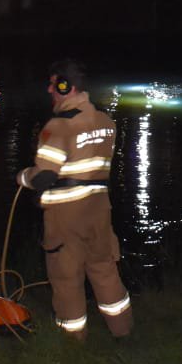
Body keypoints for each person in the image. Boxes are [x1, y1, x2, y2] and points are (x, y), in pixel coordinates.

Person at [16, 60, 132, 341]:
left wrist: (22, 178)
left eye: (54, 84)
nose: (49, 90)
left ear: (68, 87)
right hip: (99, 211)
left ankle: (72, 344)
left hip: (66, 217)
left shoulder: (57, 127)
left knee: (66, 279)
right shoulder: (106, 122)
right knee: (105, 270)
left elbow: (44, 176)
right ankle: (124, 332)